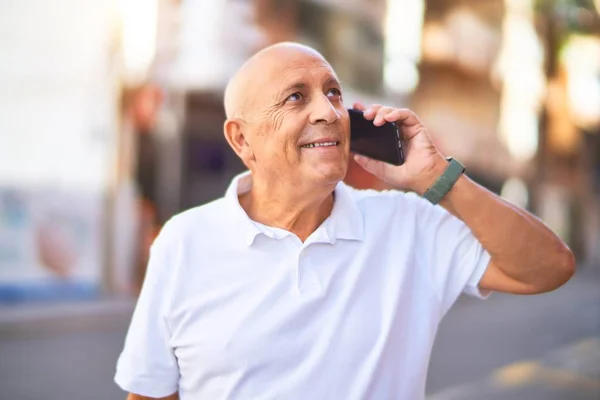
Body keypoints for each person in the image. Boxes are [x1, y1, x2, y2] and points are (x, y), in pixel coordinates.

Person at [114, 42, 575, 400]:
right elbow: (151, 390)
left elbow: (549, 267)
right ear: (241, 139)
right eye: (297, 97)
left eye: (333, 93)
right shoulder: (185, 240)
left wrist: (438, 176)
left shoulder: (408, 225)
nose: (328, 112)